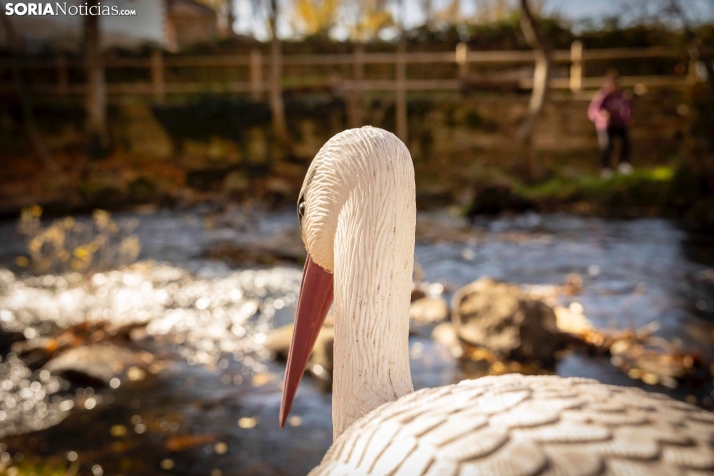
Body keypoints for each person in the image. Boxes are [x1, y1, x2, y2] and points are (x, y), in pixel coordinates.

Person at [588, 70, 633, 178]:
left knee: (626, 141)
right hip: (605, 126)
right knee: (607, 146)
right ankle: (606, 169)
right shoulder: (601, 96)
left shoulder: (623, 95)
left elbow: (626, 109)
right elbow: (592, 112)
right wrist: (602, 115)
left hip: (619, 124)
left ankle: (624, 165)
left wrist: (625, 117)